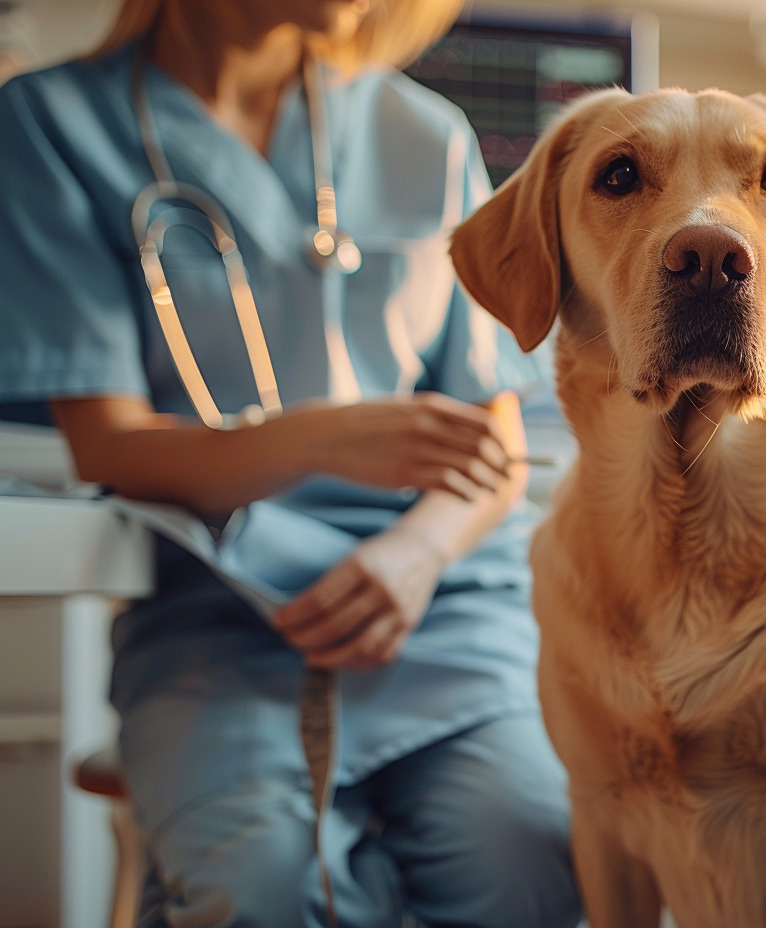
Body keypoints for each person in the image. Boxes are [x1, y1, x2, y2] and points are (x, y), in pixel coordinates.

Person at [0, 1, 582, 926]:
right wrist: (321, 437)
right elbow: (107, 443)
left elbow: (494, 441)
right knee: (270, 889)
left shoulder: (424, 134)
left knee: (531, 858)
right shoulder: (52, 125)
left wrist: (418, 555)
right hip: (223, 612)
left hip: (445, 602)